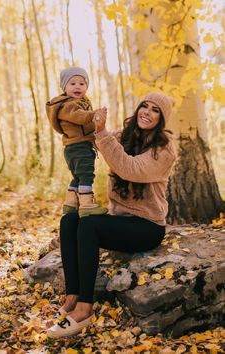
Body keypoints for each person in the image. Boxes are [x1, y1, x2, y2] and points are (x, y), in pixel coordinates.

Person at [47, 92, 177, 338]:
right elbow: (86, 138)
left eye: (155, 110)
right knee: (70, 220)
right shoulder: (123, 137)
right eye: (144, 106)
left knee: (89, 226)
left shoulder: (164, 150)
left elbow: (130, 168)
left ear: (162, 118)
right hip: (120, 221)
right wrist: (67, 110)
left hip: (147, 227)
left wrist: (103, 134)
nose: (146, 112)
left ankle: (85, 308)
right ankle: (72, 295)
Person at [46, 66, 107, 217]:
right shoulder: (68, 105)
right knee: (86, 175)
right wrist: (94, 114)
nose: (77, 87)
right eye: (72, 84)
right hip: (79, 146)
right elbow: (79, 116)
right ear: (64, 87)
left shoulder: (80, 102)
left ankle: (70, 203)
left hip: (75, 146)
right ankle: (86, 204)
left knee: (78, 177)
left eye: (82, 83)